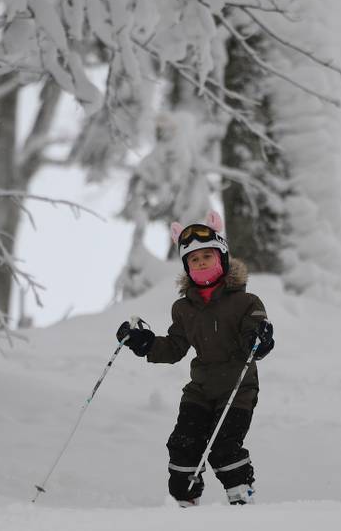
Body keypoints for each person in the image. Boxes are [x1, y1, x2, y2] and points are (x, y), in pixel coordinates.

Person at [115, 211, 274, 506]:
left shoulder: (246, 302)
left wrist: (260, 339)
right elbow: (175, 347)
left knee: (224, 447)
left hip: (237, 390)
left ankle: (243, 500)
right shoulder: (184, 308)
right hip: (200, 391)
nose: (200, 263)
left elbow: (256, 342)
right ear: (187, 267)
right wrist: (146, 344)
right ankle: (185, 507)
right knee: (182, 445)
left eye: (207, 256)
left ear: (222, 258)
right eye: (193, 259)